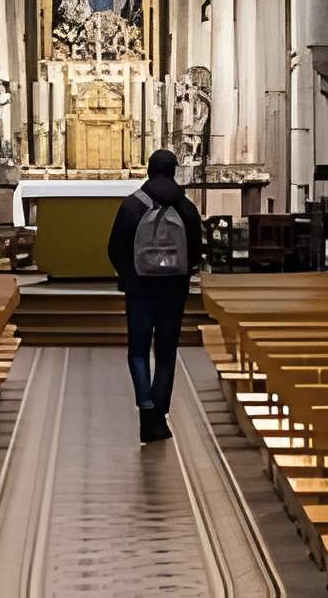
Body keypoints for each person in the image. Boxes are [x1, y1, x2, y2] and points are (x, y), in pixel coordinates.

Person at [108, 147, 204, 443]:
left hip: (139, 290)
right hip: (173, 291)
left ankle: (146, 405)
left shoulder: (133, 205)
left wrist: (129, 276)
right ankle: (159, 413)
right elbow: (197, 252)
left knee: (138, 349)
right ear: (174, 171)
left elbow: (114, 249)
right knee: (166, 351)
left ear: (149, 170)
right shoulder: (186, 207)